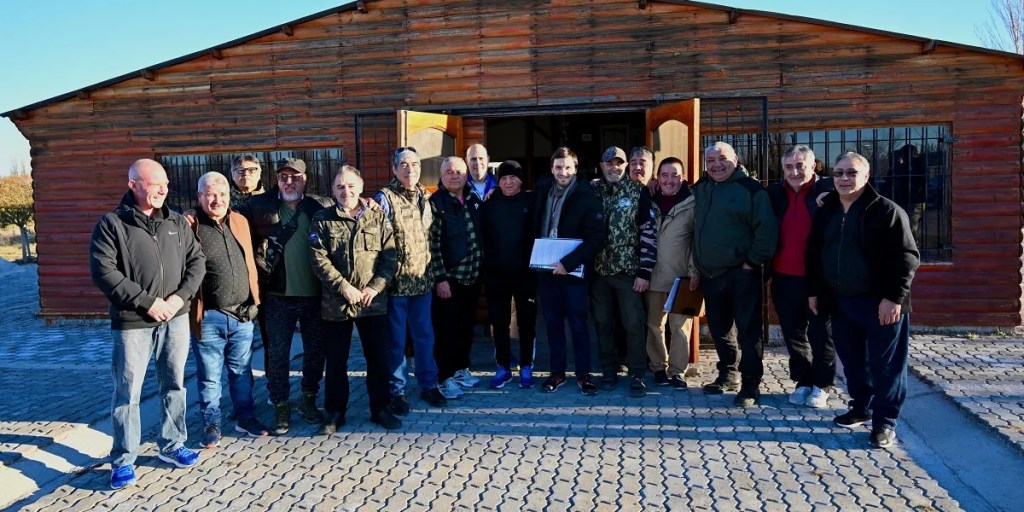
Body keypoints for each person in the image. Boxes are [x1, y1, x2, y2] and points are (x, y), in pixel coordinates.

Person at [89, 159, 206, 489]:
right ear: (133, 185)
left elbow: (196, 263)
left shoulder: (177, 223)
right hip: (133, 323)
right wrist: (148, 302)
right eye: (154, 184)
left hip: (176, 318)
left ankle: (172, 445)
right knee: (128, 393)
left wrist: (178, 299)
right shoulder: (111, 224)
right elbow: (104, 272)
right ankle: (124, 459)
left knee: (175, 384)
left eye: (165, 184)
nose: (162, 190)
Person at [807, 152, 919, 449]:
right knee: (853, 362)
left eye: (851, 173)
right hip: (841, 302)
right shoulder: (827, 210)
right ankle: (861, 407)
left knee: (886, 365)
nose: (844, 178)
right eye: (839, 172)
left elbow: (907, 259)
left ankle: (885, 422)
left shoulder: (887, 212)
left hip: (881, 303)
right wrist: (815, 291)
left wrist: (893, 298)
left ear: (866, 176)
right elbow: (815, 254)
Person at [309, 166, 402, 432]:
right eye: (340, 186)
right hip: (336, 303)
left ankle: (380, 409)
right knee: (336, 361)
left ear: (360, 187)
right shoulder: (323, 218)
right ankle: (335, 413)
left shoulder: (377, 216)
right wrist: (344, 287)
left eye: (350, 186)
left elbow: (390, 256)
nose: (345, 191)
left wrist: (375, 287)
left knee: (377, 359)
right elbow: (318, 259)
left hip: (372, 302)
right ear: (333, 190)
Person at [244, 157, 332, 435]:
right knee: (278, 354)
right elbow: (227, 219)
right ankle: (280, 403)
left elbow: (349, 211)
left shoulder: (321, 205)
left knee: (315, 352)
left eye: (295, 177)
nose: (289, 182)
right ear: (277, 179)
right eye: (283, 177)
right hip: (277, 295)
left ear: (305, 179)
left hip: (314, 295)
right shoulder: (259, 205)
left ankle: (308, 399)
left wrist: (368, 203)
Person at [691, 141, 778, 406]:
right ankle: (728, 375)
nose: (716, 165)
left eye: (722, 159)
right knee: (719, 329)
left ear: (736, 159)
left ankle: (751, 384)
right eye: (710, 160)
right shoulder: (701, 188)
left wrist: (751, 263)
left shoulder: (751, 190)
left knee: (748, 332)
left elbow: (767, 231)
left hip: (741, 274)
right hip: (710, 274)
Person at [186, 172, 268, 449]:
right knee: (209, 376)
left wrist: (254, 301)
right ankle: (211, 423)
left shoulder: (240, 221)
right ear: (199, 197)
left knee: (242, 372)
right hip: (209, 316)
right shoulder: (190, 225)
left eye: (221, 194)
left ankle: (245, 417)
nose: (216, 199)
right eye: (209, 194)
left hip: (243, 315)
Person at [373, 147, 448, 413]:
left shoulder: (425, 198)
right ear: (394, 169)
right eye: (404, 165)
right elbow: (375, 242)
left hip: (422, 283)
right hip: (395, 286)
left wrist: (437, 277)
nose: (410, 169)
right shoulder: (385, 199)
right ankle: (397, 391)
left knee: (425, 337)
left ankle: (429, 385)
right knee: (395, 341)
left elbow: (432, 241)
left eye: (414, 164)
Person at [768, 145, 836, 409]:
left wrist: (830, 194)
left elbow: (861, 188)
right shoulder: (775, 194)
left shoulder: (827, 190)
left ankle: (822, 385)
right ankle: (803, 381)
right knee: (793, 335)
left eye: (800, 166)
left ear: (813, 166)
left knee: (821, 335)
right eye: (789, 167)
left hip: (817, 279)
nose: (795, 171)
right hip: (783, 277)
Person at [534, 147, 606, 395]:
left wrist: (569, 263)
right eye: (557, 167)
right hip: (546, 270)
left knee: (578, 324)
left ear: (575, 168)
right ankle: (557, 373)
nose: (562, 172)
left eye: (567, 167)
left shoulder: (586, 195)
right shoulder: (543, 191)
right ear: (551, 169)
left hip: (573, 272)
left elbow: (596, 238)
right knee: (552, 324)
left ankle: (584, 374)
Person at [591, 146, 658, 397]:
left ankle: (637, 374)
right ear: (602, 166)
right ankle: (608, 372)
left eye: (619, 163)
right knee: (603, 323)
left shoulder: (638, 192)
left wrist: (644, 271)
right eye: (609, 163)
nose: (614, 167)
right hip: (600, 271)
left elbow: (648, 233)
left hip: (628, 272)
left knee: (633, 323)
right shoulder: (593, 191)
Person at [429, 156, 484, 398]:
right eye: (449, 172)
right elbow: (432, 246)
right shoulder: (436, 203)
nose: (454, 175)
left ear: (466, 174)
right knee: (446, 331)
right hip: (448, 280)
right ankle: (444, 377)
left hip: (471, 277)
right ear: (441, 176)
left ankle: (462, 369)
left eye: (459, 171)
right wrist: (440, 278)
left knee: (465, 328)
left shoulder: (473, 198)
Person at [481, 160, 537, 389]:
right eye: (503, 178)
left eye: (513, 177)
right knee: (499, 323)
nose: (508, 182)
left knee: (527, 323)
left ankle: (526, 366)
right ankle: (503, 367)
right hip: (496, 274)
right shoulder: (490, 203)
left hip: (525, 274)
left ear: (521, 179)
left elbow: (549, 185)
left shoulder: (532, 200)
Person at [645, 157, 696, 390]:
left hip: (682, 276)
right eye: (664, 175)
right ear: (657, 178)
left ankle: (677, 372)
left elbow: (698, 240)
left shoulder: (692, 203)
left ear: (682, 177)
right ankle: (658, 368)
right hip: (654, 275)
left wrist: (695, 270)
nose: (669, 180)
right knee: (654, 325)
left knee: (680, 328)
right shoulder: (648, 201)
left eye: (674, 175)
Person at [228, 154, 265, 351]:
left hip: (267, 273)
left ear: (260, 173)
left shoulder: (272, 199)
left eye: (251, 170)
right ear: (232, 175)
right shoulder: (224, 201)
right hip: (237, 274)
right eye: (240, 170)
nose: (246, 174)